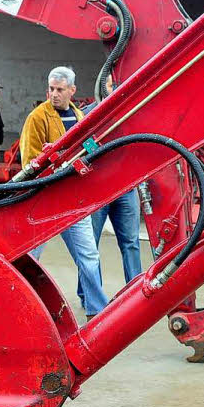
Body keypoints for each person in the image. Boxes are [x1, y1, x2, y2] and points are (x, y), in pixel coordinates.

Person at [19, 66, 109, 317]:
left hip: (72, 200)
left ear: (72, 90)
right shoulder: (38, 118)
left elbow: (88, 149)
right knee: (30, 259)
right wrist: (51, 160)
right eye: (51, 89)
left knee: (89, 255)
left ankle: (97, 309)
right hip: (45, 200)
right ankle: (27, 310)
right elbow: (30, 162)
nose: (54, 94)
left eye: (59, 89)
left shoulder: (79, 117)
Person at [85, 76, 142, 284]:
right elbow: (85, 147)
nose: (116, 89)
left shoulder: (129, 113)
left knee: (131, 242)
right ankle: (91, 295)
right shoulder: (88, 115)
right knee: (90, 246)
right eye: (111, 85)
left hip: (126, 187)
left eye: (117, 84)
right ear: (101, 86)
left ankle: (135, 291)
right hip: (99, 190)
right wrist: (101, 153)